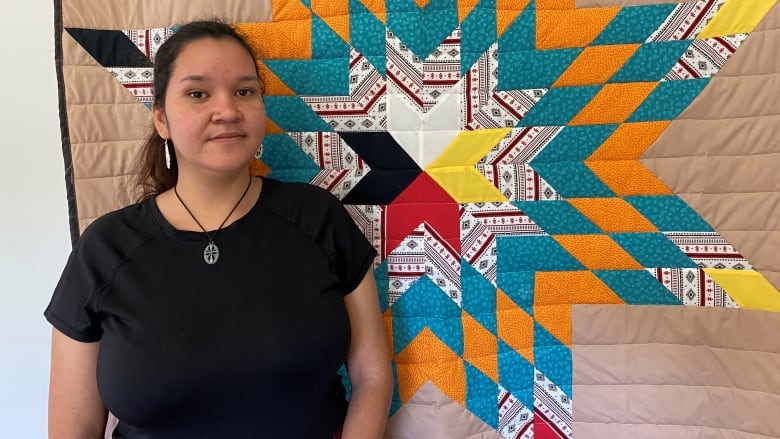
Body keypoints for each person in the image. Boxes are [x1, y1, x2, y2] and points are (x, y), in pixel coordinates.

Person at [45, 20, 393, 438]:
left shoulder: (317, 217)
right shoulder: (104, 250)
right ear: (161, 119)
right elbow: (75, 427)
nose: (227, 110)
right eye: (197, 94)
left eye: (244, 91)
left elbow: (372, 376)